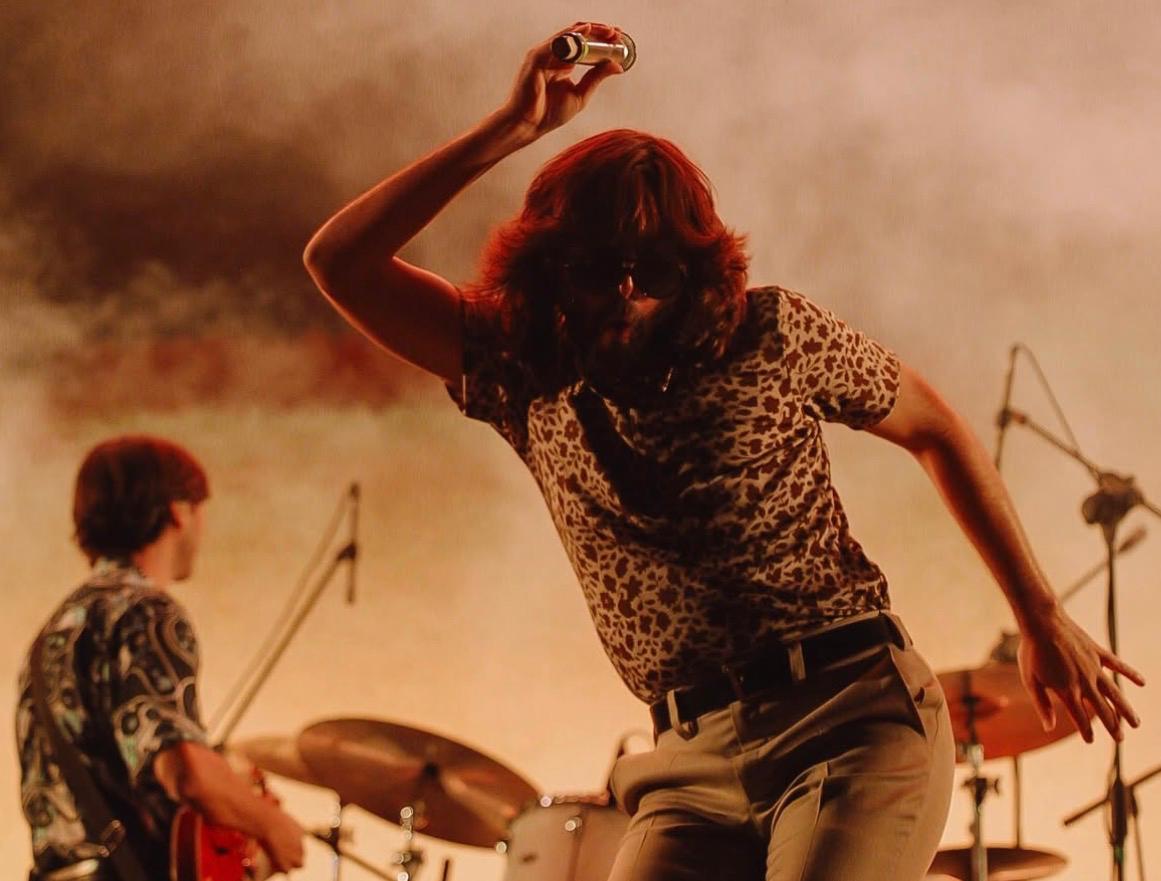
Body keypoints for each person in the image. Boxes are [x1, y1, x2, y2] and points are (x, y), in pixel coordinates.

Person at [302, 22, 1145, 880]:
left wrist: (1038, 612)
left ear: (693, 269)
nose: (627, 291)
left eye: (655, 268)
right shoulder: (519, 364)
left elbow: (935, 425)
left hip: (849, 721)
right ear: (552, 267)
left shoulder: (768, 333)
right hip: (685, 765)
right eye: (599, 266)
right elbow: (338, 261)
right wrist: (509, 129)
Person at [16, 435, 305, 880]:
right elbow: (184, 771)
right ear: (177, 510)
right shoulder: (147, 613)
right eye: (200, 508)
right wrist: (271, 824)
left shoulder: (55, 632)